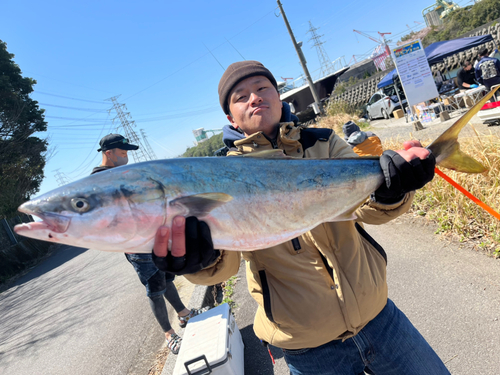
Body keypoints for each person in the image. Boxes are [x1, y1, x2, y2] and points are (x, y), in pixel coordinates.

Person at [151, 61, 450, 374]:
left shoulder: (323, 142)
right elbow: (225, 265)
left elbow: (366, 208)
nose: (254, 97)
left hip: (381, 319)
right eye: (241, 96)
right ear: (231, 119)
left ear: (279, 98)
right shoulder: (223, 176)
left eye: (262, 88)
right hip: (308, 348)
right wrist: (198, 262)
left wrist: (392, 190)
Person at [91, 133, 206, 355]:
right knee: (154, 289)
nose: (127, 157)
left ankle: (183, 314)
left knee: (167, 279)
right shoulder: (99, 180)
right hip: (139, 246)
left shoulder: (121, 172)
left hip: (157, 239)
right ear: (108, 153)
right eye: (123, 153)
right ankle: (169, 334)